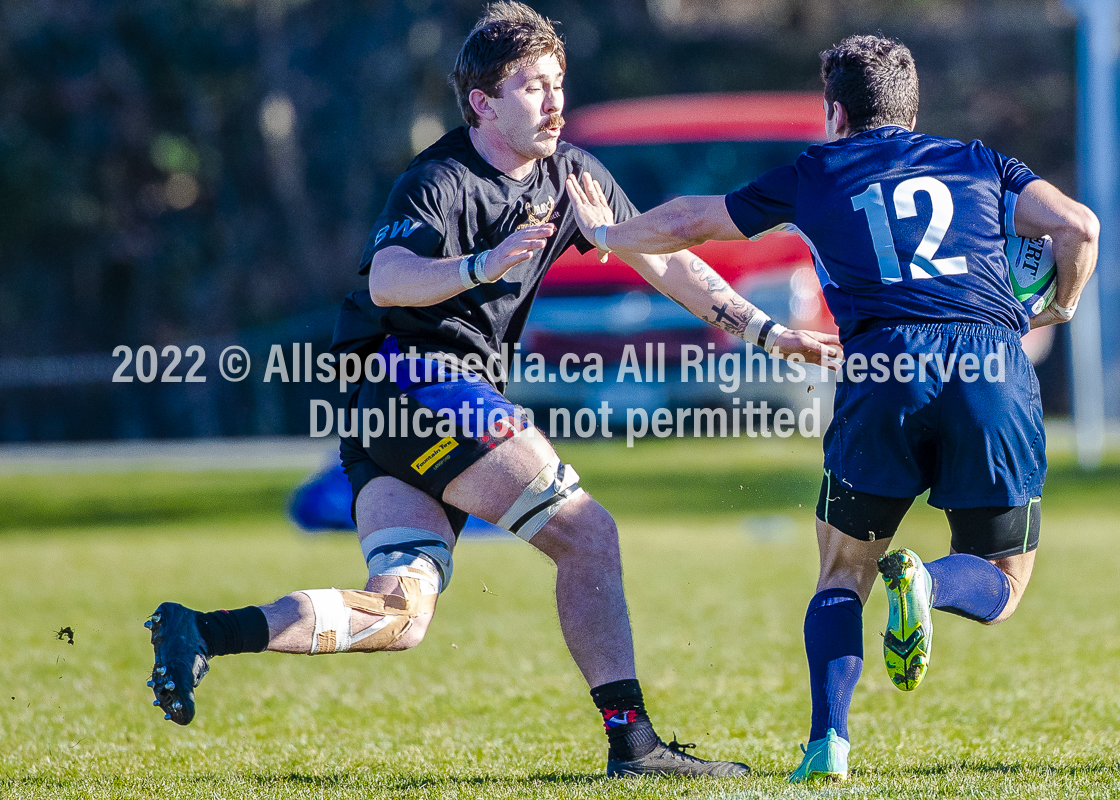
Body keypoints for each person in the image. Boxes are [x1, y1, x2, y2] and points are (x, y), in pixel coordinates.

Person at [145, 2, 841, 778]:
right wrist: (485, 263)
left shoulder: (569, 172)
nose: (554, 101)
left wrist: (761, 331)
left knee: (399, 614)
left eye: (558, 82)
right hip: (420, 383)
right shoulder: (438, 180)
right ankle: (635, 746)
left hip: (389, 420)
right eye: (533, 86)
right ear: (482, 103)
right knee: (587, 533)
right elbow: (389, 277)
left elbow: (663, 259)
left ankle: (202, 631)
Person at [564, 33, 1099, 783]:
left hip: (882, 366)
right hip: (991, 362)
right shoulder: (980, 162)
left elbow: (691, 222)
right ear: (912, 109)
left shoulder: (818, 171)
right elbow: (1079, 226)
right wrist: (1057, 309)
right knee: (1003, 580)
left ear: (836, 112)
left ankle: (829, 744)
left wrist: (609, 234)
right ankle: (932, 582)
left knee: (843, 573)